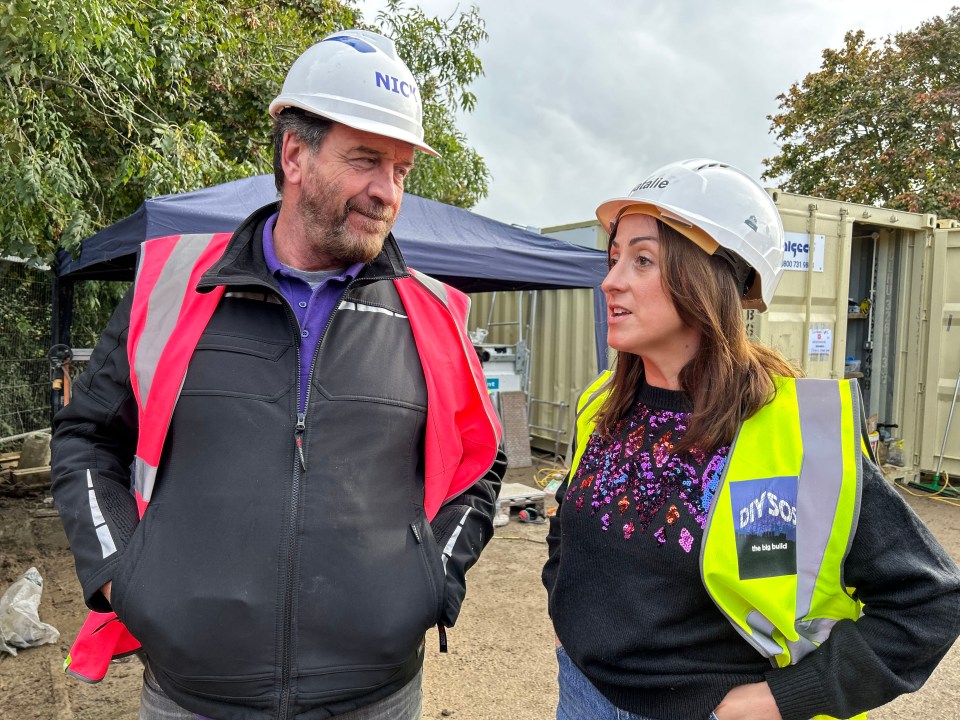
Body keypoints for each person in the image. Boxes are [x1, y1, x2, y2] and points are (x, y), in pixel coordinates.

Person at [51, 28, 505, 720]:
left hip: (375, 698)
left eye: (402, 170)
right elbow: (87, 438)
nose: (388, 191)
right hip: (194, 699)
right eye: (366, 161)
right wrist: (122, 574)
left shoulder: (433, 313)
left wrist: (433, 576)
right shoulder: (173, 288)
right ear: (295, 153)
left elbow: (483, 460)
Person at [542, 158, 960, 720]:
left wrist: (772, 703)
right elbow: (566, 530)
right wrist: (569, 621)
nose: (611, 281)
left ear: (708, 280)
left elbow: (928, 602)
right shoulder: (603, 405)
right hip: (583, 695)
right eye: (614, 258)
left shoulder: (797, 434)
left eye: (642, 260)